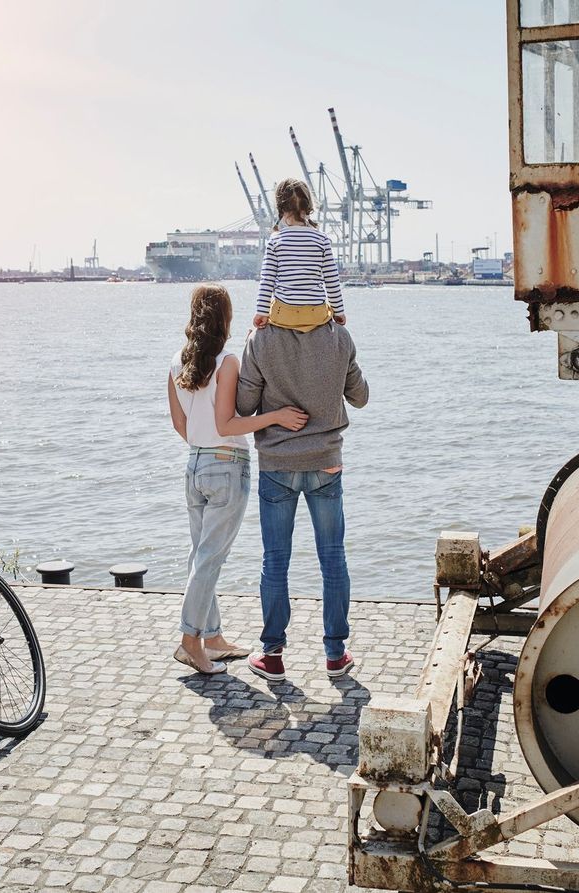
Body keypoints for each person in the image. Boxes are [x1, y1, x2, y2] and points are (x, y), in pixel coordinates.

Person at [167, 284, 308, 675]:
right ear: (224, 319)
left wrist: (202, 448)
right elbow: (227, 423)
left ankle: (211, 636)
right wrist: (275, 417)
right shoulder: (227, 361)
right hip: (227, 464)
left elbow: (180, 424)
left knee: (201, 556)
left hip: (194, 465)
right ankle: (189, 642)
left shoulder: (176, 361)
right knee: (210, 559)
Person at [236, 303, 369, 682]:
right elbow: (360, 397)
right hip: (326, 461)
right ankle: (335, 655)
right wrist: (342, 355)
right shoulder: (339, 337)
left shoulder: (260, 340)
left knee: (275, 560)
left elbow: (244, 405)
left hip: (277, 464)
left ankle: (273, 656)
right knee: (333, 558)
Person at [253, 179, 346, 333]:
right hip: (316, 315)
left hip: (284, 315)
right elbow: (332, 281)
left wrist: (261, 312)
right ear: (309, 206)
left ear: (280, 208)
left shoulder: (275, 240)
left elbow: (267, 280)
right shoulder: (322, 239)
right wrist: (339, 311)